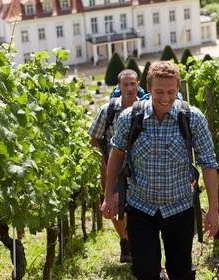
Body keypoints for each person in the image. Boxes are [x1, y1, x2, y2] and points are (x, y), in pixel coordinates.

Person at [101, 61, 219, 280]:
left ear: (178, 90)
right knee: (144, 271)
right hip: (140, 208)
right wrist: (109, 196)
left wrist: (213, 208)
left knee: (181, 272)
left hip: (180, 207)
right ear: (148, 88)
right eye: (158, 92)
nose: (165, 97)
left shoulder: (192, 118)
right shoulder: (130, 118)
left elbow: (209, 164)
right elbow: (116, 155)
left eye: (171, 92)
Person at [89, 69, 140, 263]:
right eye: (125, 84)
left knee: (139, 208)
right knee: (116, 207)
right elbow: (94, 139)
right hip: (114, 168)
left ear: (138, 85)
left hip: (140, 168)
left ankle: (136, 242)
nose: (129, 88)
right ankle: (125, 240)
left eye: (132, 83)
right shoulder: (108, 110)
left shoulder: (145, 109)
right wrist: (102, 165)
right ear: (119, 87)